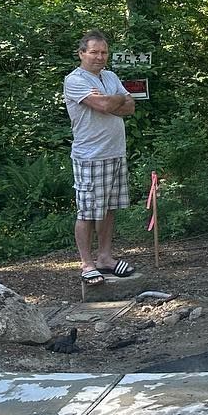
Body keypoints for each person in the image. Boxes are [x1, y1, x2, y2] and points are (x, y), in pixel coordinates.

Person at [64, 30, 137, 285]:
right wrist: (117, 99)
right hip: (90, 156)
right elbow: (107, 106)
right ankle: (86, 264)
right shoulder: (75, 80)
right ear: (82, 53)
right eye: (93, 52)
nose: (99, 57)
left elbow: (130, 107)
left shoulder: (111, 76)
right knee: (87, 212)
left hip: (115, 152)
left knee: (109, 209)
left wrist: (113, 99)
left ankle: (105, 258)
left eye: (103, 52)